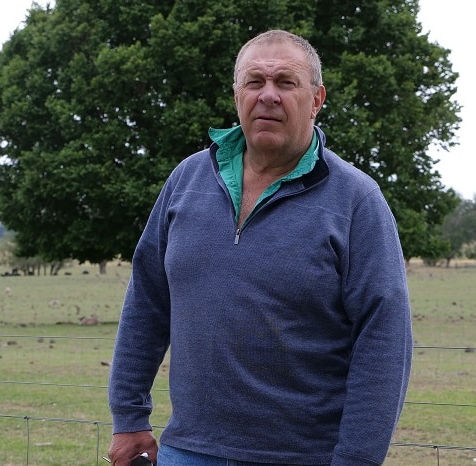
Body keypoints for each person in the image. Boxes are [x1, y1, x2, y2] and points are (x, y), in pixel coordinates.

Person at [107, 29, 413, 466]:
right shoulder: (187, 181)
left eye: (286, 82)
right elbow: (147, 302)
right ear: (237, 95)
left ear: (316, 99)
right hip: (187, 451)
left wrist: (358, 459)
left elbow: (383, 339)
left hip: (304, 456)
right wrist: (129, 415)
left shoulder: (355, 200)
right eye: (255, 82)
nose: (268, 95)